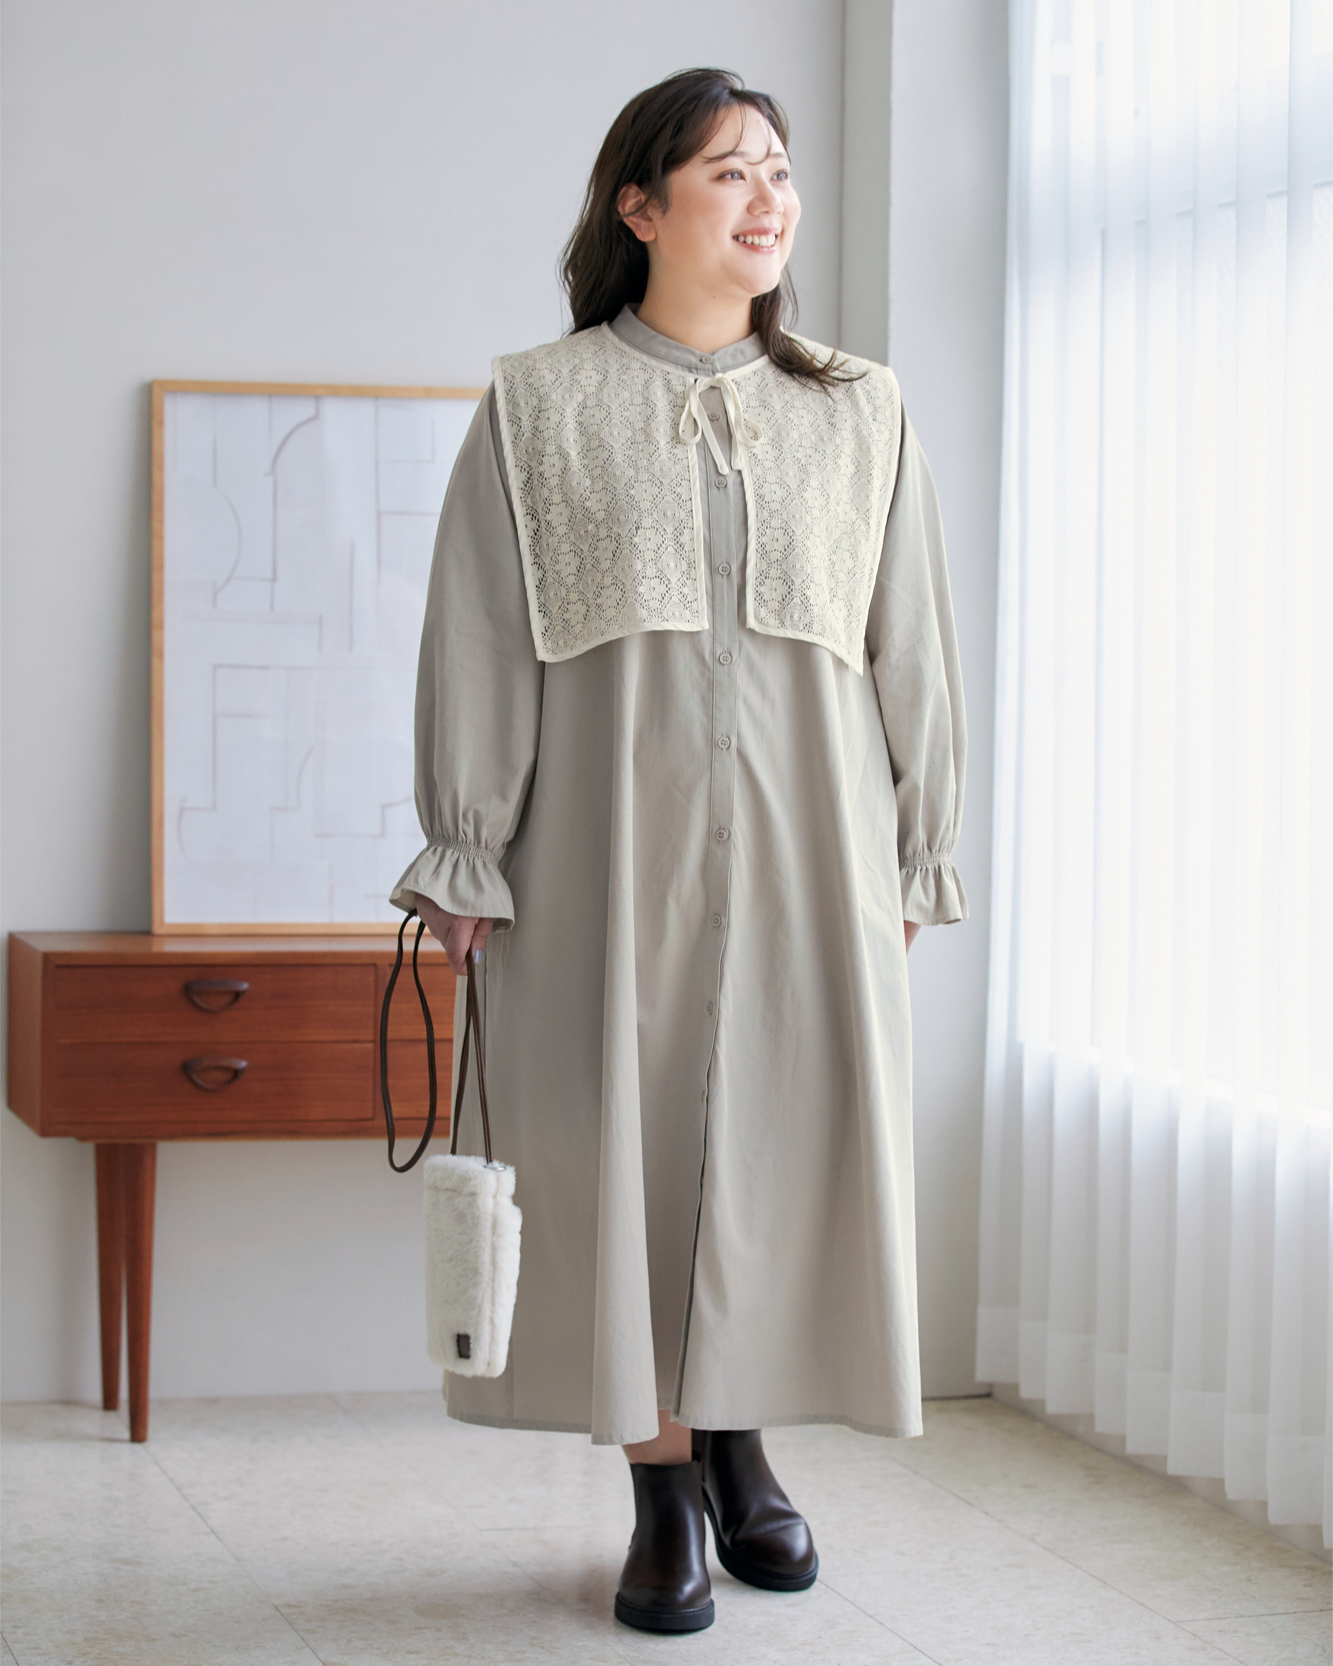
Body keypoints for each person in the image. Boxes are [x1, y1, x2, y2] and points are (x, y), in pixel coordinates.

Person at [391, 66, 967, 1635]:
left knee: (776, 1151)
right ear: (639, 208)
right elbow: (481, 636)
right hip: (597, 854)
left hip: (811, 854)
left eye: (779, 170)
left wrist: (916, 847)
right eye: (730, 172)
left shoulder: (862, 408)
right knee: (616, 1161)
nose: (769, 200)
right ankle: (660, 1484)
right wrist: (467, 849)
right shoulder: (540, 404)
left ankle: (739, 1441)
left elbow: (911, 644)